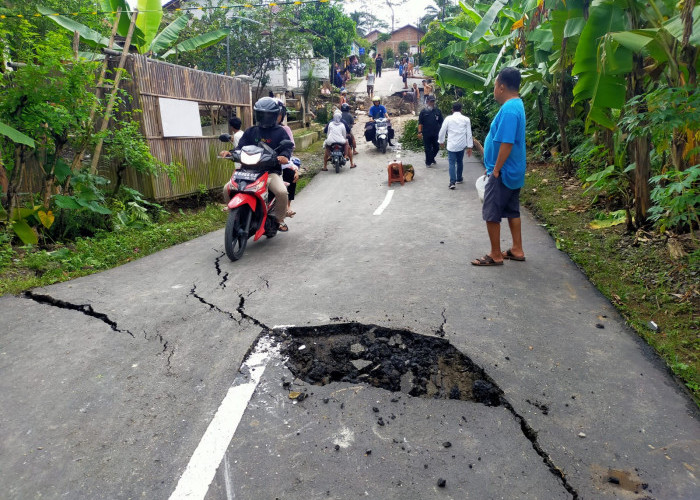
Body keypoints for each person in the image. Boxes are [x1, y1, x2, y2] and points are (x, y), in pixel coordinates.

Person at [471, 67, 527, 266]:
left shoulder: (510, 110)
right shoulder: (516, 105)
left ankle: (495, 254)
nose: (494, 89)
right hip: (513, 170)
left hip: (503, 171)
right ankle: (517, 249)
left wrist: (496, 170)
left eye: (495, 85)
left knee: (491, 212)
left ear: (502, 87)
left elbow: (507, 142)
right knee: (512, 210)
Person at [221, 97, 292, 232]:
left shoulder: (280, 132)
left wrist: (284, 156)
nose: (265, 117)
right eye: (262, 113)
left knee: (282, 192)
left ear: (274, 115)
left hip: (269, 171)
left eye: (268, 114)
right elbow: (240, 147)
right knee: (226, 188)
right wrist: (230, 153)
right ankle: (234, 212)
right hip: (248, 170)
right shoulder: (251, 131)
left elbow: (287, 148)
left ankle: (279, 219)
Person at [438, 101, 473, 190]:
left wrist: (441, 141)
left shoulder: (448, 119)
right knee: (460, 161)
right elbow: (469, 133)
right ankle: (459, 178)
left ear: (452, 110)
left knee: (451, 163)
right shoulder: (466, 119)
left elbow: (442, 130)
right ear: (461, 110)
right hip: (461, 145)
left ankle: (452, 182)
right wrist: (470, 146)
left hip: (451, 145)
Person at [417, 95, 443, 167]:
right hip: (426, 133)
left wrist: (442, 133)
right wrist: (419, 132)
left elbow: (441, 122)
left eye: (433, 101)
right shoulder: (423, 112)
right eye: (431, 101)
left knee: (436, 147)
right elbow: (420, 123)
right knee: (427, 148)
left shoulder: (438, 111)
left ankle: (431, 158)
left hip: (436, 133)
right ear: (427, 101)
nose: (432, 103)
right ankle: (428, 162)